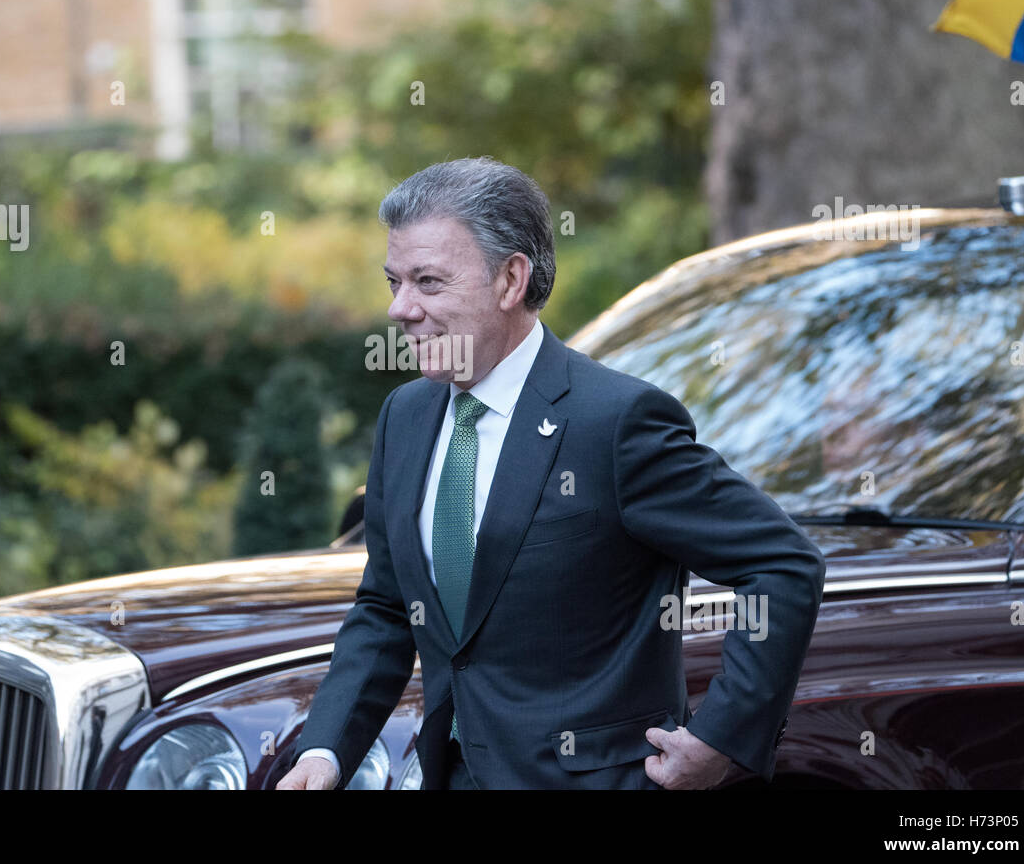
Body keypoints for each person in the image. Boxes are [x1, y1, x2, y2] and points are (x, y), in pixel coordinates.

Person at [276, 157, 826, 789]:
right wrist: (325, 752)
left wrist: (722, 737)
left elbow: (782, 565)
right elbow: (386, 607)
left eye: (428, 282)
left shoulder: (615, 422)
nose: (401, 309)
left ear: (510, 280)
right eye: (393, 281)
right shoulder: (404, 416)